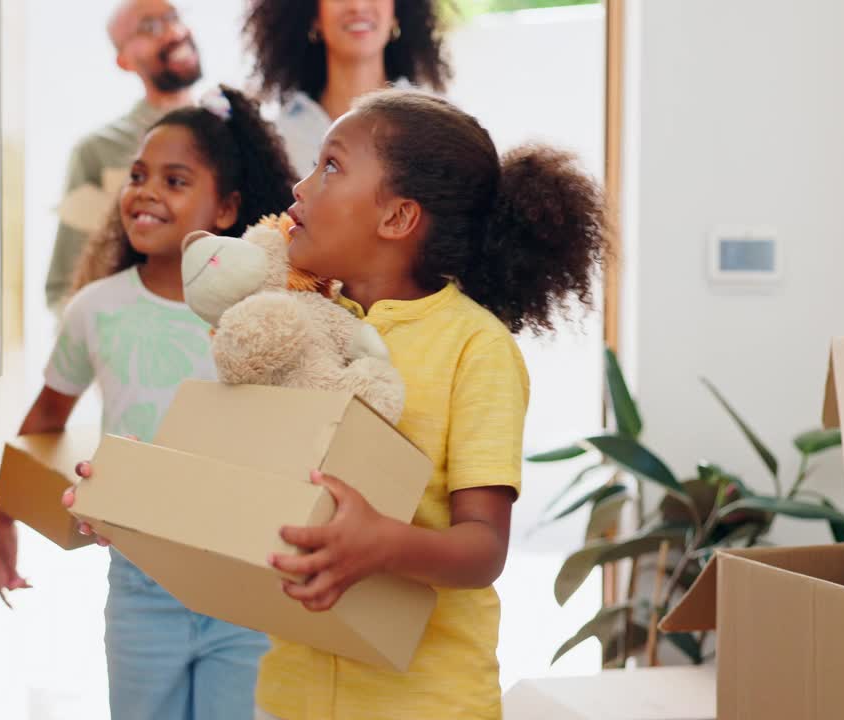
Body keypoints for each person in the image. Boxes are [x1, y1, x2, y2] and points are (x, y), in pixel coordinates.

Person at [254, 88, 607, 719]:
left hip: (425, 702)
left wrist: (381, 544)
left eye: (331, 166)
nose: (301, 188)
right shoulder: (301, 324)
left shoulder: (476, 348)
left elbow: (483, 549)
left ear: (397, 218)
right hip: (291, 696)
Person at [0, 85, 299, 720]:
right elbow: (46, 418)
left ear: (226, 209)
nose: (146, 190)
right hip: (140, 584)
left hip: (247, 579)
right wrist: (8, 514)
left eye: (175, 179)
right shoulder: (95, 309)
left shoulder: (263, 317)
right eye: (138, 175)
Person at [43, 0, 204, 315]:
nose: (173, 31)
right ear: (124, 60)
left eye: (173, 17)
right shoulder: (98, 152)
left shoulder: (237, 135)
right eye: (150, 27)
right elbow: (64, 286)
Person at [243, 0, 452, 174]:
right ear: (313, 13)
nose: (358, 6)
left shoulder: (441, 127)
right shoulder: (279, 141)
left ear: (397, 10)